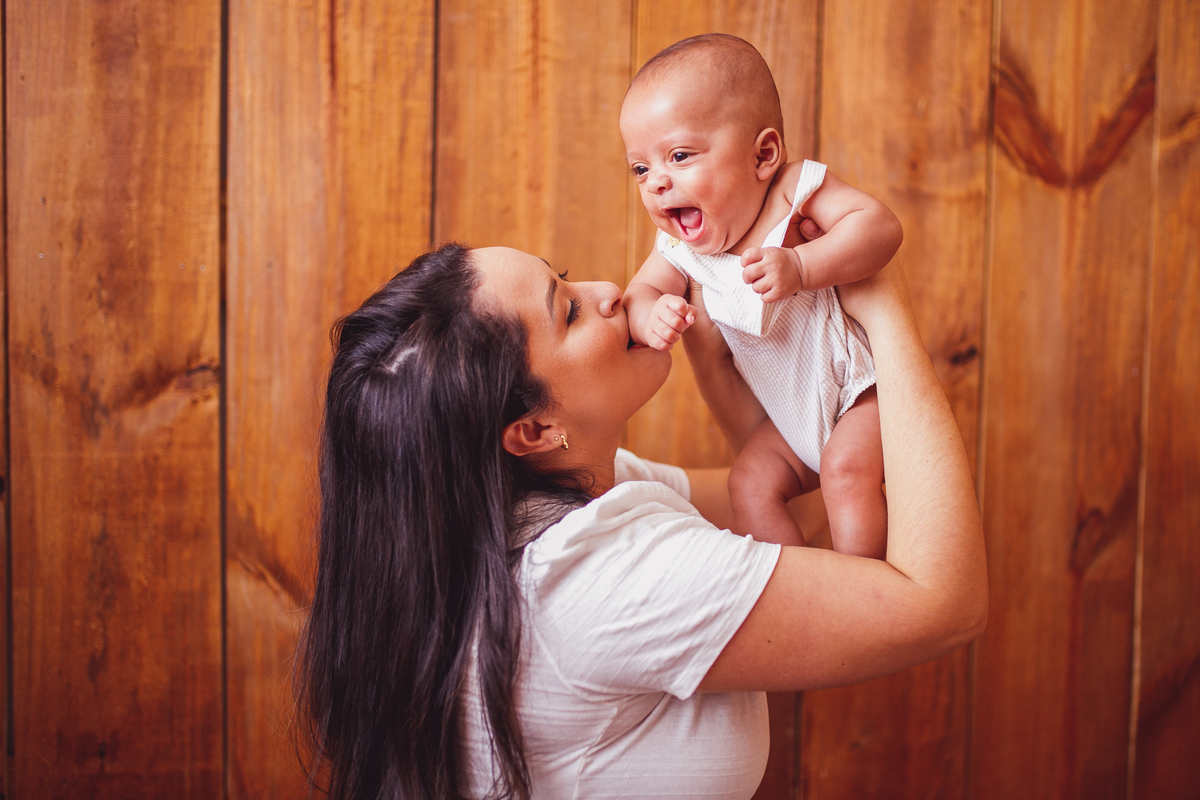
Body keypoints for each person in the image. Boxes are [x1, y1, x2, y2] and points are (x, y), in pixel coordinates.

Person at [295, 241, 986, 800]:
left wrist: (724, 359)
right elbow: (943, 603)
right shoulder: (599, 575)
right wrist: (882, 310)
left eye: (565, 275)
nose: (608, 293)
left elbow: (783, 500)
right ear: (533, 428)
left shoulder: (541, 507)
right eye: (567, 311)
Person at [621, 34, 903, 556]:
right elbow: (640, 291)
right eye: (641, 168)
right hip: (787, 421)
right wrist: (648, 315)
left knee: (845, 474)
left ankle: (859, 591)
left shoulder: (793, 193)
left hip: (856, 394)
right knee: (748, 484)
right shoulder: (681, 250)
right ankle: (797, 586)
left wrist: (802, 263)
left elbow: (880, 227)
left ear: (763, 155)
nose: (657, 182)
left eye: (679, 156)